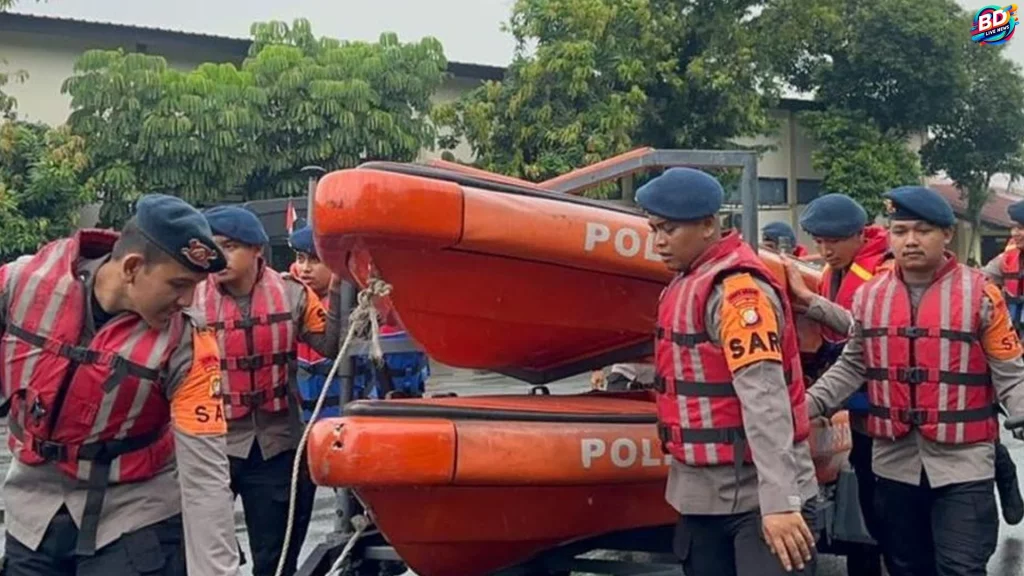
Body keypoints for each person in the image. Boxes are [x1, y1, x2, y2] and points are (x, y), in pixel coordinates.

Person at [789, 185, 1024, 576]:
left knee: (961, 568)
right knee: (905, 566)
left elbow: (1010, 372)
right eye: (901, 232)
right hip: (894, 463)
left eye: (923, 230)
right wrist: (801, 409)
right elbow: (851, 366)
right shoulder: (869, 297)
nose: (911, 241)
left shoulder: (983, 296)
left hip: (963, 464)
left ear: (947, 234)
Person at [0, 194, 240, 576]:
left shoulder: (189, 346)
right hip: (33, 509)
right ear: (131, 267)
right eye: (178, 284)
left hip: (133, 515)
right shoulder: (18, 286)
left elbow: (205, 479)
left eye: (195, 285)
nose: (188, 299)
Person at [635, 167, 819, 576]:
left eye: (669, 229)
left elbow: (766, 401)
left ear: (708, 225)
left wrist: (779, 503)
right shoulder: (683, 284)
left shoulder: (737, 294)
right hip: (702, 495)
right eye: (654, 230)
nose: (659, 241)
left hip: (758, 499)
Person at [192, 206, 345, 576]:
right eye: (214, 247)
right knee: (196, 551)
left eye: (230, 246)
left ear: (257, 249)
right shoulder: (190, 299)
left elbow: (331, 346)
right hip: (211, 443)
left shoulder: (294, 295)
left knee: (276, 558)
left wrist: (340, 292)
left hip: (276, 444)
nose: (220, 257)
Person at [796, 192, 890, 575]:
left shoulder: (885, 271)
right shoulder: (831, 273)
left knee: (891, 510)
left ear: (858, 237)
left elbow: (862, 328)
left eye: (833, 241)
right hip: (854, 409)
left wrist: (808, 301)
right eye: (819, 242)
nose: (825, 249)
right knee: (868, 497)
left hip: (888, 414)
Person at [976, 199, 1024, 526]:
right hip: (1010, 357)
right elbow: (974, 281)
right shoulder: (1007, 260)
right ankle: (1006, 477)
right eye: (1015, 227)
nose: (1015, 233)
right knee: (985, 424)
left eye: (1021, 228)